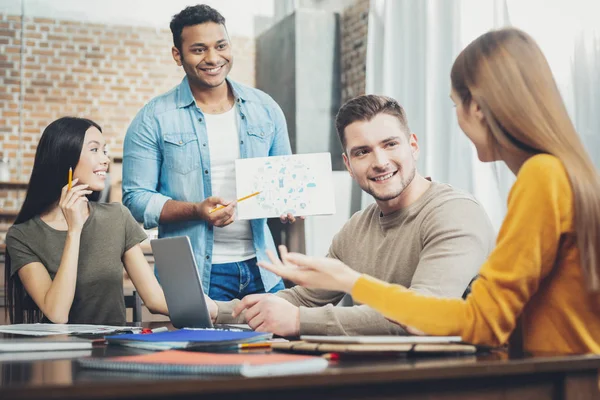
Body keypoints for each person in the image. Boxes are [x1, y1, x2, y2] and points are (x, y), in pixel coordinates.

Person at [259, 28, 600, 354]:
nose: (458, 120)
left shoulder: (541, 177)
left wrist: (353, 282)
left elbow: (482, 322)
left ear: (477, 108)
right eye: (363, 151)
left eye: (456, 105)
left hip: (565, 383)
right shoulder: (562, 172)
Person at [206, 94, 496, 336]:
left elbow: (425, 314)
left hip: (453, 380)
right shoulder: (357, 227)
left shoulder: (455, 213)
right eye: (362, 152)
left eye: (390, 144)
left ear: (413, 146)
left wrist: (297, 321)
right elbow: (305, 297)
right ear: (347, 163)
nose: (380, 162)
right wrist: (220, 310)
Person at [122, 4, 295, 301]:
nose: (213, 58)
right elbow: (136, 199)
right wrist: (197, 210)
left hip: (264, 270)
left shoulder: (265, 109)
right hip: (194, 274)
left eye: (221, 46)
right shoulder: (153, 118)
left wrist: (290, 202)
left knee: (273, 348)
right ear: (178, 55)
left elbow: (284, 179)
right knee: (198, 349)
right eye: (199, 49)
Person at [4, 117, 169, 325]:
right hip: (59, 353)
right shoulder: (22, 236)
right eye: (94, 150)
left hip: (112, 352)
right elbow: (57, 314)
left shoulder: (117, 216)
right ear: (65, 158)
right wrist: (74, 230)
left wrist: (216, 310)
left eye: (105, 151)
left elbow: (155, 299)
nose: (105, 160)